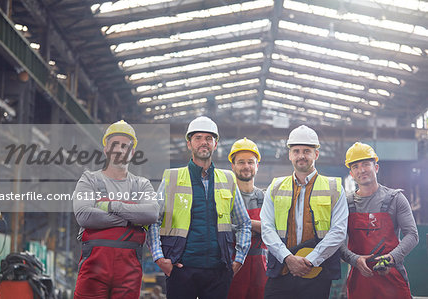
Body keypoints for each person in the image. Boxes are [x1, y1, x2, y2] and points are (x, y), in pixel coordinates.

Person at [147, 116, 252, 299]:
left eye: (209, 138)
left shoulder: (227, 179)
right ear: (189, 143)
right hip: (181, 269)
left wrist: (238, 260)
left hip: (218, 271)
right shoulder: (172, 177)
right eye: (198, 138)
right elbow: (153, 220)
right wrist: (159, 257)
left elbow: (244, 223)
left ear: (215, 144)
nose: (204, 142)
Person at [73, 120, 160, 299]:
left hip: (129, 271)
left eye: (125, 146)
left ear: (132, 152)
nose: (119, 150)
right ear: (106, 149)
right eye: (115, 145)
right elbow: (84, 215)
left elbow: (151, 213)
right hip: (94, 269)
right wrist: (133, 217)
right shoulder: (89, 179)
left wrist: (111, 206)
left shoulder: (141, 184)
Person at [260, 125, 348, 299]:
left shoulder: (334, 188)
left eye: (307, 151)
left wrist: (310, 260)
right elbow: (267, 227)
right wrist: (288, 259)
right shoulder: (275, 187)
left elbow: (339, 231)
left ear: (316, 154)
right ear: (290, 154)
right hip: (282, 269)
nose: (301, 156)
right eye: (297, 150)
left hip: (318, 271)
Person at [340, 142, 419, 299]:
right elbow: (336, 242)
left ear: (376, 167)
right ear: (351, 173)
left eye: (366, 164)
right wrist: (354, 259)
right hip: (360, 282)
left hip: (393, 279)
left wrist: (391, 258)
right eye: (355, 166)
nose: (361, 170)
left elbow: (412, 235)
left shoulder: (395, 199)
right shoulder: (345, 205)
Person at [227, 138, 267, 299]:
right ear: (233, 166)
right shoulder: (225, 197)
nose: (246, 166)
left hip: (261, 266)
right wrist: (257, 227)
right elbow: (221, 228)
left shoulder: (265, 198)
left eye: (250, 162)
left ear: (257, 166)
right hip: (233, 264)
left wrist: (241, 224)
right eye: (241, 162)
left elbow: (273, 230)